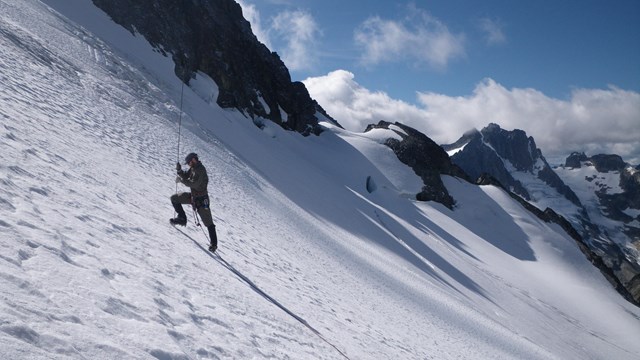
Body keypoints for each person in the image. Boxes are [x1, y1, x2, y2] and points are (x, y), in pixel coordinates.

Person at [170, 152, 218, 252]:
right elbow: (186, 176)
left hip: (201, 200)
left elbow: (194, 184)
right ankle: (182, 218)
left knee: (208, 222)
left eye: (189, 162)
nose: (188, 164)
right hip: (193, 197)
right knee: (174, 198)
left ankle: (213, 244)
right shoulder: (193, 168)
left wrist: (181, 181)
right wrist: (179, 171)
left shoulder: (200, 170)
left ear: (193, 160)